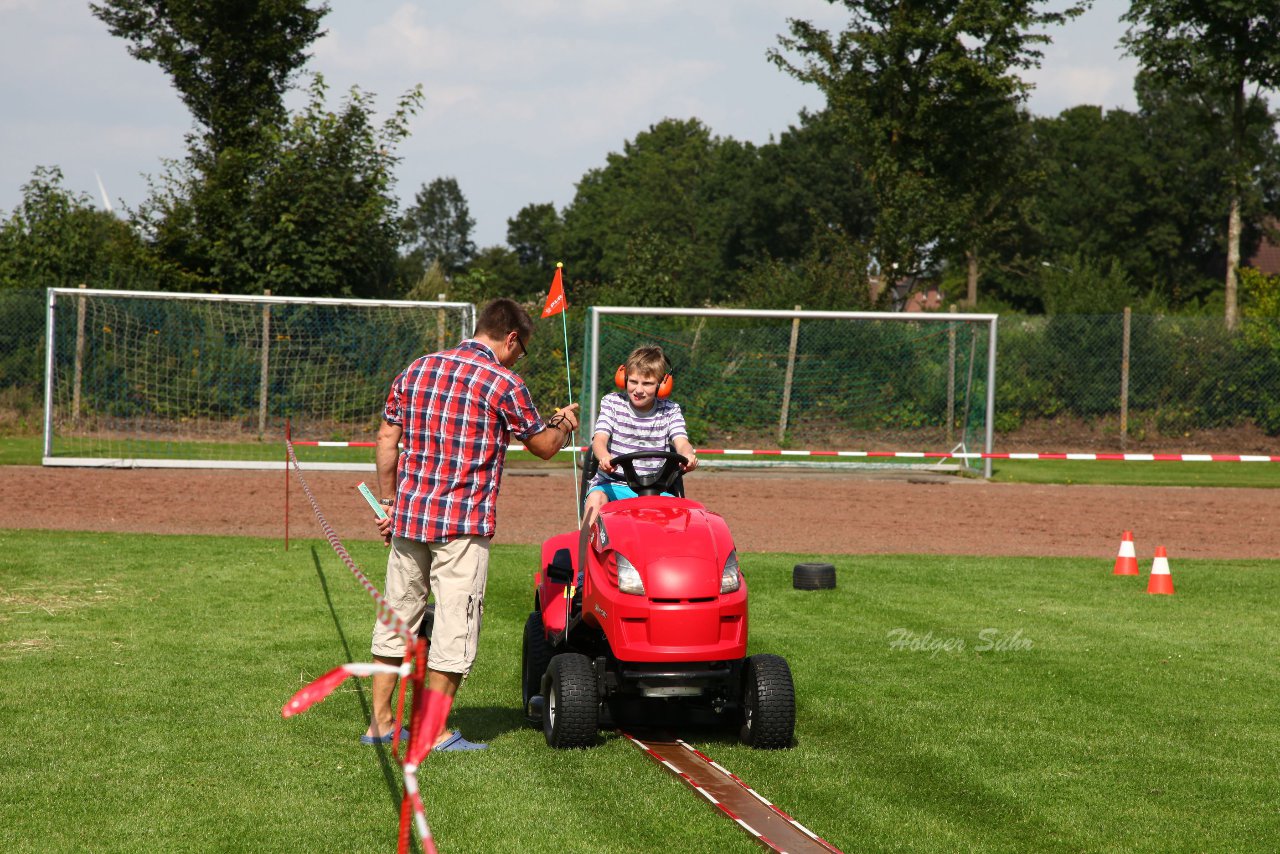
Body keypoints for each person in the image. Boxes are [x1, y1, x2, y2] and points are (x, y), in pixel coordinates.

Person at [364, 298, 579, 751]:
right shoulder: (504, 382)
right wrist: (563, 423)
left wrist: (389, 503)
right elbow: (542, 446)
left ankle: (381, 725)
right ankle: (434, 732)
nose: (519, 359)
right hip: (462, 524)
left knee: (397, 618)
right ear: (512, 339)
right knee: (454, 627)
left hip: (409, 517)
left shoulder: (416, 368)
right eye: (521, 351)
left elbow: (387, 440)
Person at [582, 345, 697, 531]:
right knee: (595, 500)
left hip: (656, 490)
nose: (638, 390)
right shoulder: (612, 403)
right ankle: (587, 552)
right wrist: (604, 456)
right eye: (633, 381)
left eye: (648, 383)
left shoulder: (670, 410)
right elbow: (599, 439)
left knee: (685, 516)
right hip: (612, 485)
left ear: (662, 385)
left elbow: (682, 442)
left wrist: (688, 456)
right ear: (624, 378)